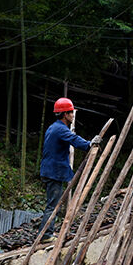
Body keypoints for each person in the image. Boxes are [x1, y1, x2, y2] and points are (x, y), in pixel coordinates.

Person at [39, 97, 101, 238]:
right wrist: (89, 144)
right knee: (53, 205)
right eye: (71, 112)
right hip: (53, 172)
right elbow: (74, 139)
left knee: (53, 204)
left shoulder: (53, 127)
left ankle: (47, 232)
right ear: (65, 114)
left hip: (51, 171)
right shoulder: (60, 129)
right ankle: (45, 235)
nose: (73, 115)